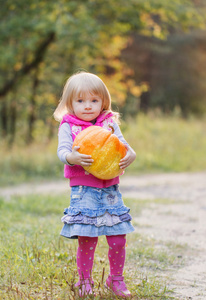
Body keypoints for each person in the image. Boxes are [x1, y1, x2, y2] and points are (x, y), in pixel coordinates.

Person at [54, 71, 136, 297]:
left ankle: (115, 279)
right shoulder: (68, 125)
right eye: (80, 101)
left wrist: (131, 154)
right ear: (70, 103)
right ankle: (84, 281)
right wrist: (72, 157)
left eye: (94, 100)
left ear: (103, 102)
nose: (87, 106)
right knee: (87, 238)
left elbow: (123, 145)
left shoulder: (108, 123)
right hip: (83, 190)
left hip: (110, 188)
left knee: (118, 237)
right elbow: (62, 151)